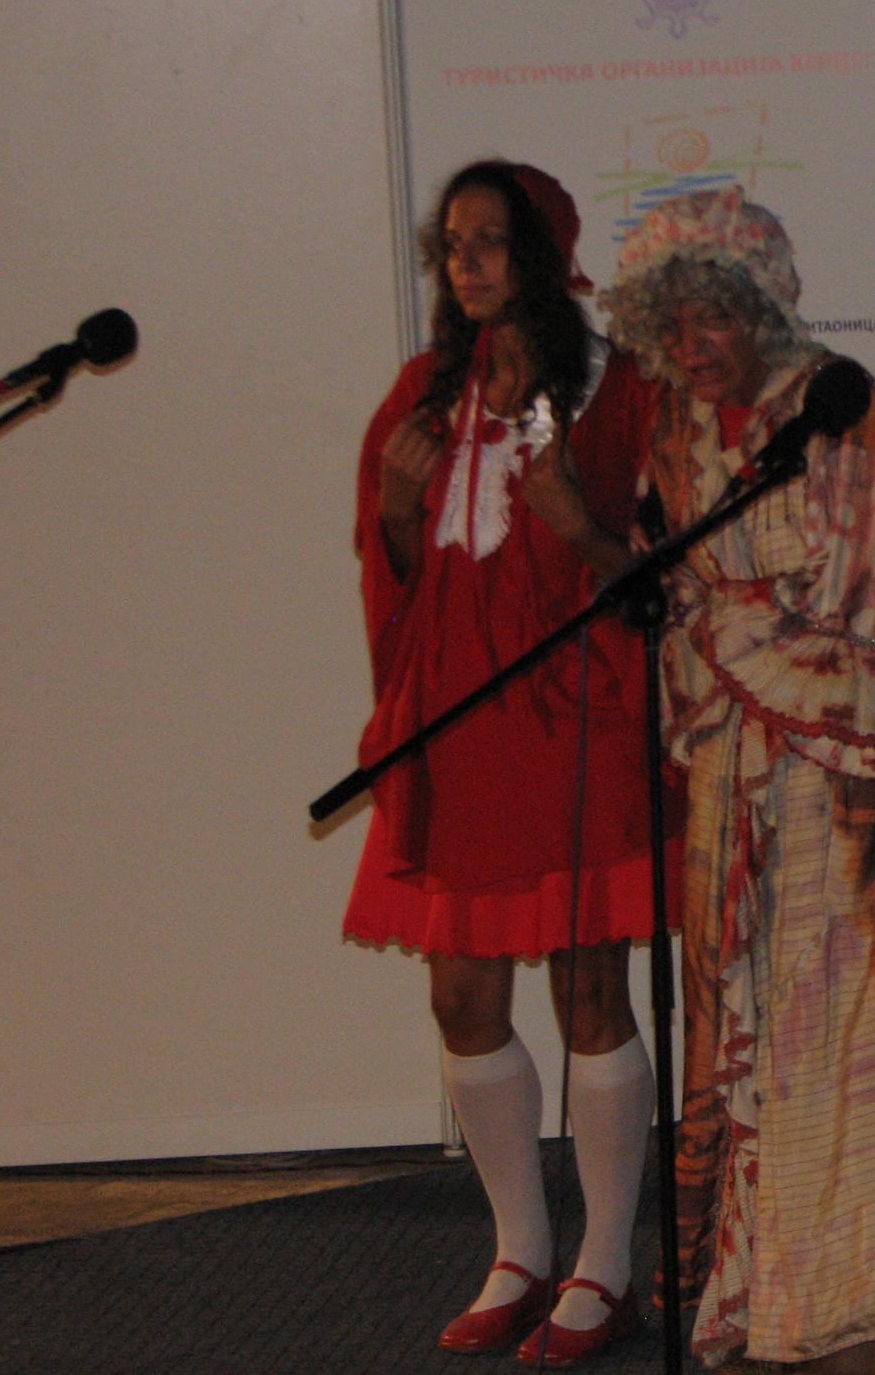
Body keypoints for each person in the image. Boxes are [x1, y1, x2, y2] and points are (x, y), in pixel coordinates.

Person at [602, 186, 875, 1374]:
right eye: (671, 323)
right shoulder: (675, 432)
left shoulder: (844, 413)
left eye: (714, 316)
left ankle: (856, 1317)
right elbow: (664, 591)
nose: (694, 344)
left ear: (763, 305)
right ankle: (765, 1304)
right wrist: (720, 626)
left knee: (846, 1065)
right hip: (727, 796)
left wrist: (722, 623)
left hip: (845, 808)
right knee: (748, 1059)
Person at [342, 159, 672, 1367]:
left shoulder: (618, 389)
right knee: (461, 1000)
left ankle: (605, 1264)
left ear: (541, 251)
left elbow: (657, 575)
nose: (466, 262)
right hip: (458, 726)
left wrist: (580, 526)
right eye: (452, 244)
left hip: (575, 719)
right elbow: (391, 568)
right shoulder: (421, 397)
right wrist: (394, 510)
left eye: (488, 239)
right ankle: (520, 1249)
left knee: (590, 997)